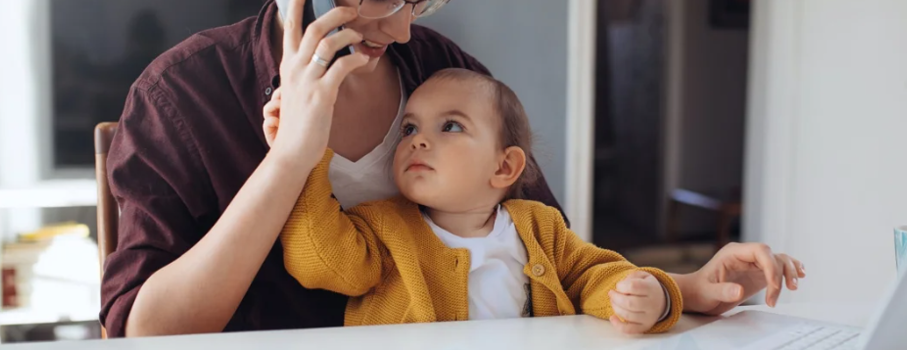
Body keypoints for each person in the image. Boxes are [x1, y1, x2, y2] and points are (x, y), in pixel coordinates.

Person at [100, 0, 805, 338]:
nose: (402, 31)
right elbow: (146, 331)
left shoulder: (446, 79)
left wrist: (682, 288)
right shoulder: (183, 96)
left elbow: (545, 258)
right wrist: (289, 161)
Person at [271, 69, 693, 334]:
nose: (418, 138)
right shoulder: (383, 226)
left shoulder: (540, 226)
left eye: (450, 126)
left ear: (505, 167)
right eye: (409, 128)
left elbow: (595, 274)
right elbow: (321, 261)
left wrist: (647, 295)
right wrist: (306, 156)